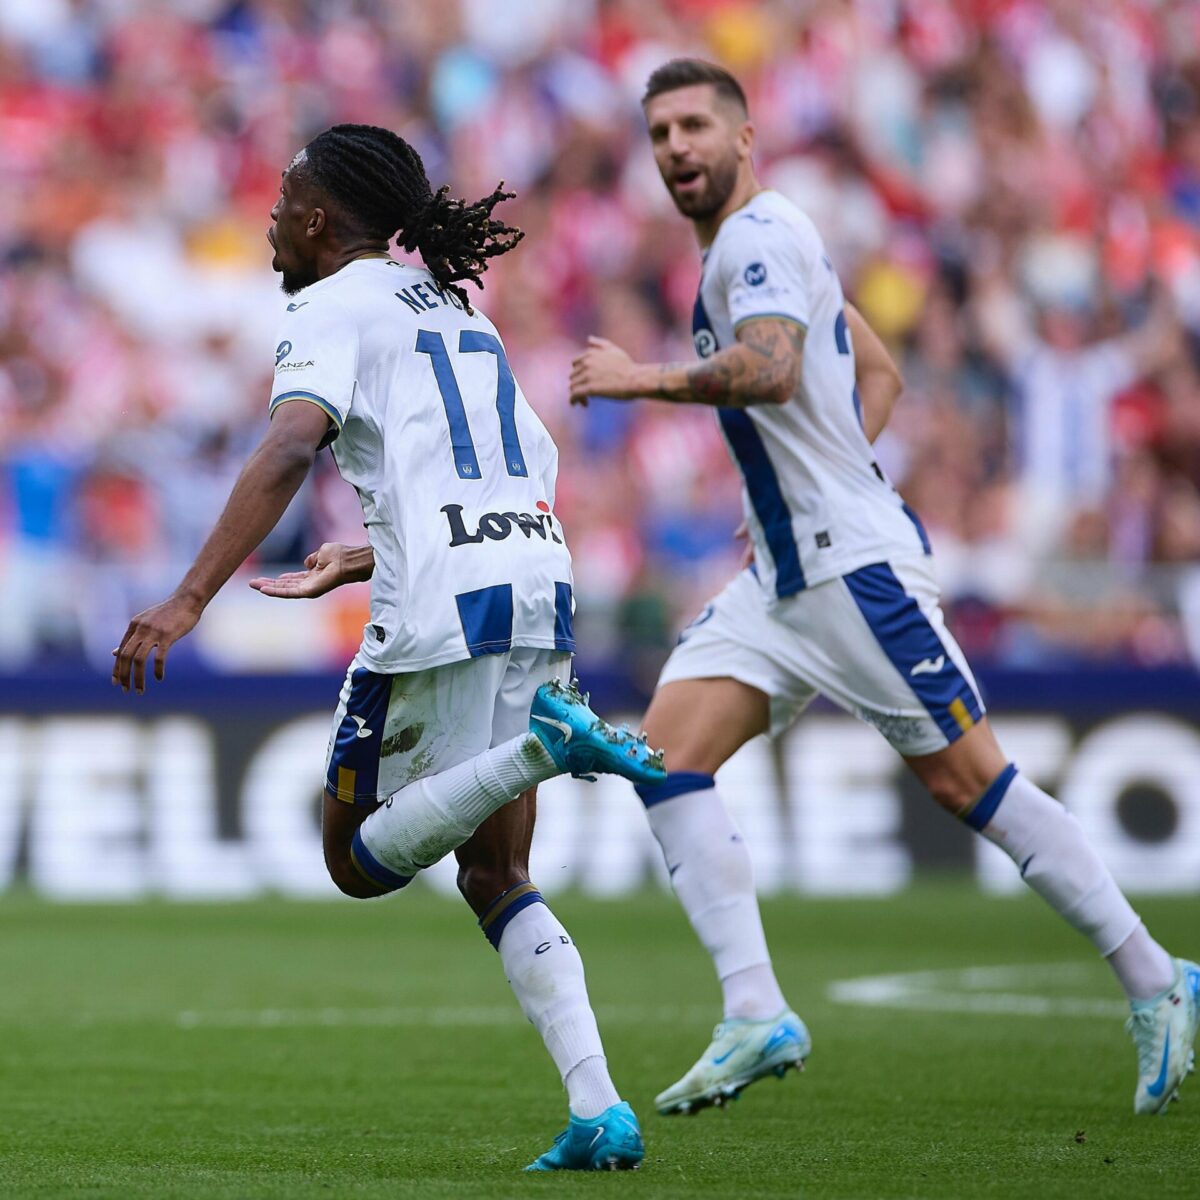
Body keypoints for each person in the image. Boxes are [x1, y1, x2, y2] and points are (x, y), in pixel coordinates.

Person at [568, 59, 1199, 1118]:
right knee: (665, 756)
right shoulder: (755, 246)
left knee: (970, 785)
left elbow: (769, 368)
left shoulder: (759, 240)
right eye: (661, 132)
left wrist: (640, 379)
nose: (676, 147)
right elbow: (881, 372)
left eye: (695, 127)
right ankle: (755, 1011)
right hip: (785, 575)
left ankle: (1156, 977)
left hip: (849, 571)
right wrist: (812, 473)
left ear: (743, 136)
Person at [112, 123, 665, 1171]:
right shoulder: (458, 312)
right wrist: (367, 553)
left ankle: (548, 747)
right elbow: (499, 472)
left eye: (280, 201)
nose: (271, 218)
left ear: (319, 219)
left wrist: (189, 599)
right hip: (537, 577)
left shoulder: (327, 306)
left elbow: (288, 440)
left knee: (354, 862)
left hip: (443, 604)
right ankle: (600, 1112)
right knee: (498, 873)